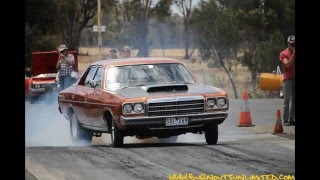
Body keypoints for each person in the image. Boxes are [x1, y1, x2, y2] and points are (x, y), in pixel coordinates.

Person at [279, 35, 295, 126]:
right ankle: (285, 120)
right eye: (292, 44)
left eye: (294, 44)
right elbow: (287, 65)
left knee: (294, 100)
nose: (293, 45)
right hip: (288, 79)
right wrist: (293, 56)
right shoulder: (283, 53)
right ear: (288, 43)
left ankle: (292, 119)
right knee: (287, 99)